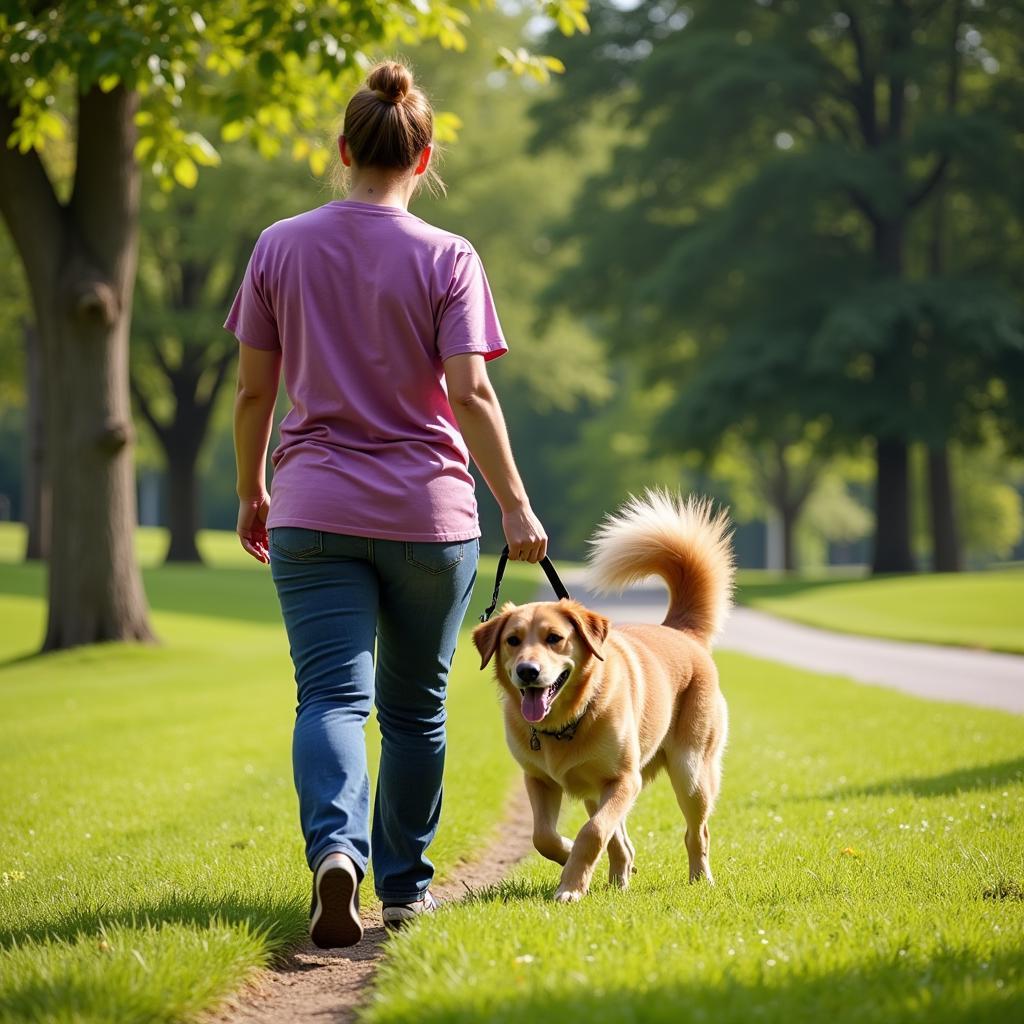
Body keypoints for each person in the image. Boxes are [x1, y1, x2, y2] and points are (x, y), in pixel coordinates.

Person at [225, 60, 546, 948]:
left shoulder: (279, 245)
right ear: (425, 154)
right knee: (416, 710)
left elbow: (255, 394)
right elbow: (472, 395)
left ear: (343, 150)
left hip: (312, 508)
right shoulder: (449, 256)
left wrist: (253, 489)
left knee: (330, 698)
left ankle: (336, 853)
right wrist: (516, 507)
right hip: (428, 517)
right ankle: (403, 889)